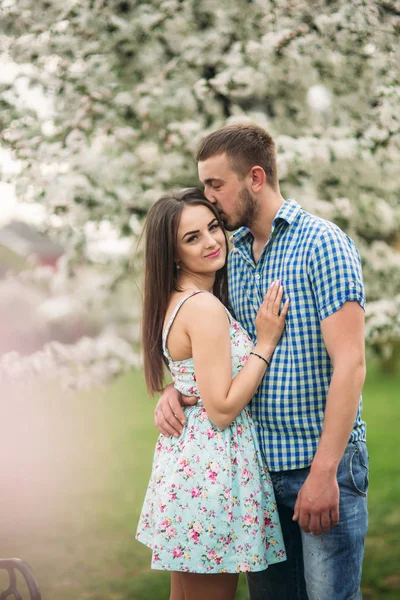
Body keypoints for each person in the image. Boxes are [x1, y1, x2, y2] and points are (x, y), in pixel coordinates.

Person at [155, 124, 368, 600]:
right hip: (254, 474)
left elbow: (351, 365)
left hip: (317, 465)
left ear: (254, 177)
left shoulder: (322, 243)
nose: (209, 200)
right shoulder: (230, 257)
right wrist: (179, 388)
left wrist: (324, 472)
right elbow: (212, 347)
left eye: (215, 185)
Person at [136, 188, 289, 600]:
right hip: (209, 478)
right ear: (172, 254)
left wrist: (174, 389)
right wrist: (266, 342)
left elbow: (195, 379)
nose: (211, 241)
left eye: (213, 227)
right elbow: (221, 408)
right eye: (192, 238)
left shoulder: (175, 300)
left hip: (188, 468)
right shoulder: (203, 307)